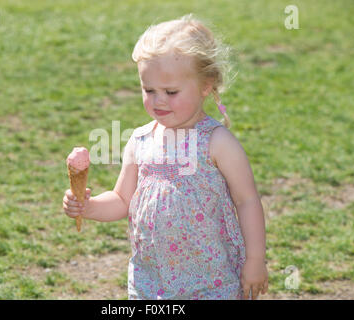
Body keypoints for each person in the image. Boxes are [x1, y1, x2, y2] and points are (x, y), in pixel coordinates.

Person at [63, 14, 268, 300]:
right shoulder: (140, 140)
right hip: (152, 281)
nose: (159, 100)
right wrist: (88, 205)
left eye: (171, 92)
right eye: (149, 90)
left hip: (211, 281)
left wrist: (255, 261)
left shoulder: (217, 142)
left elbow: (247, 201)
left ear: (206, 85)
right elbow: (122, 200)